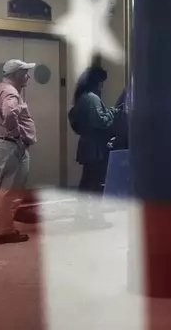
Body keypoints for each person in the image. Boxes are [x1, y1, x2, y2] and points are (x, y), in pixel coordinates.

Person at [0, 59, 37, 244]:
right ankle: (4, 231)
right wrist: (15, 135)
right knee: (11, 189)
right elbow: (10, 113)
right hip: (11, 144)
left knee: (0, 188)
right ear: (15, 75)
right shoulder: (11, 93)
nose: (28, 75)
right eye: (25, 72)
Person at [68, 66, 119, 226]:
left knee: (86, 183)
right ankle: (97, 219)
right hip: (96, 147)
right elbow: (101, 121)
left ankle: (81, 216)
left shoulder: (81, 98)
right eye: (101, 82)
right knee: (96, 184)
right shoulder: (92, 98)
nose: (102, 86)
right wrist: (112, 112)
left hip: (86, 144)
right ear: (96, 82)